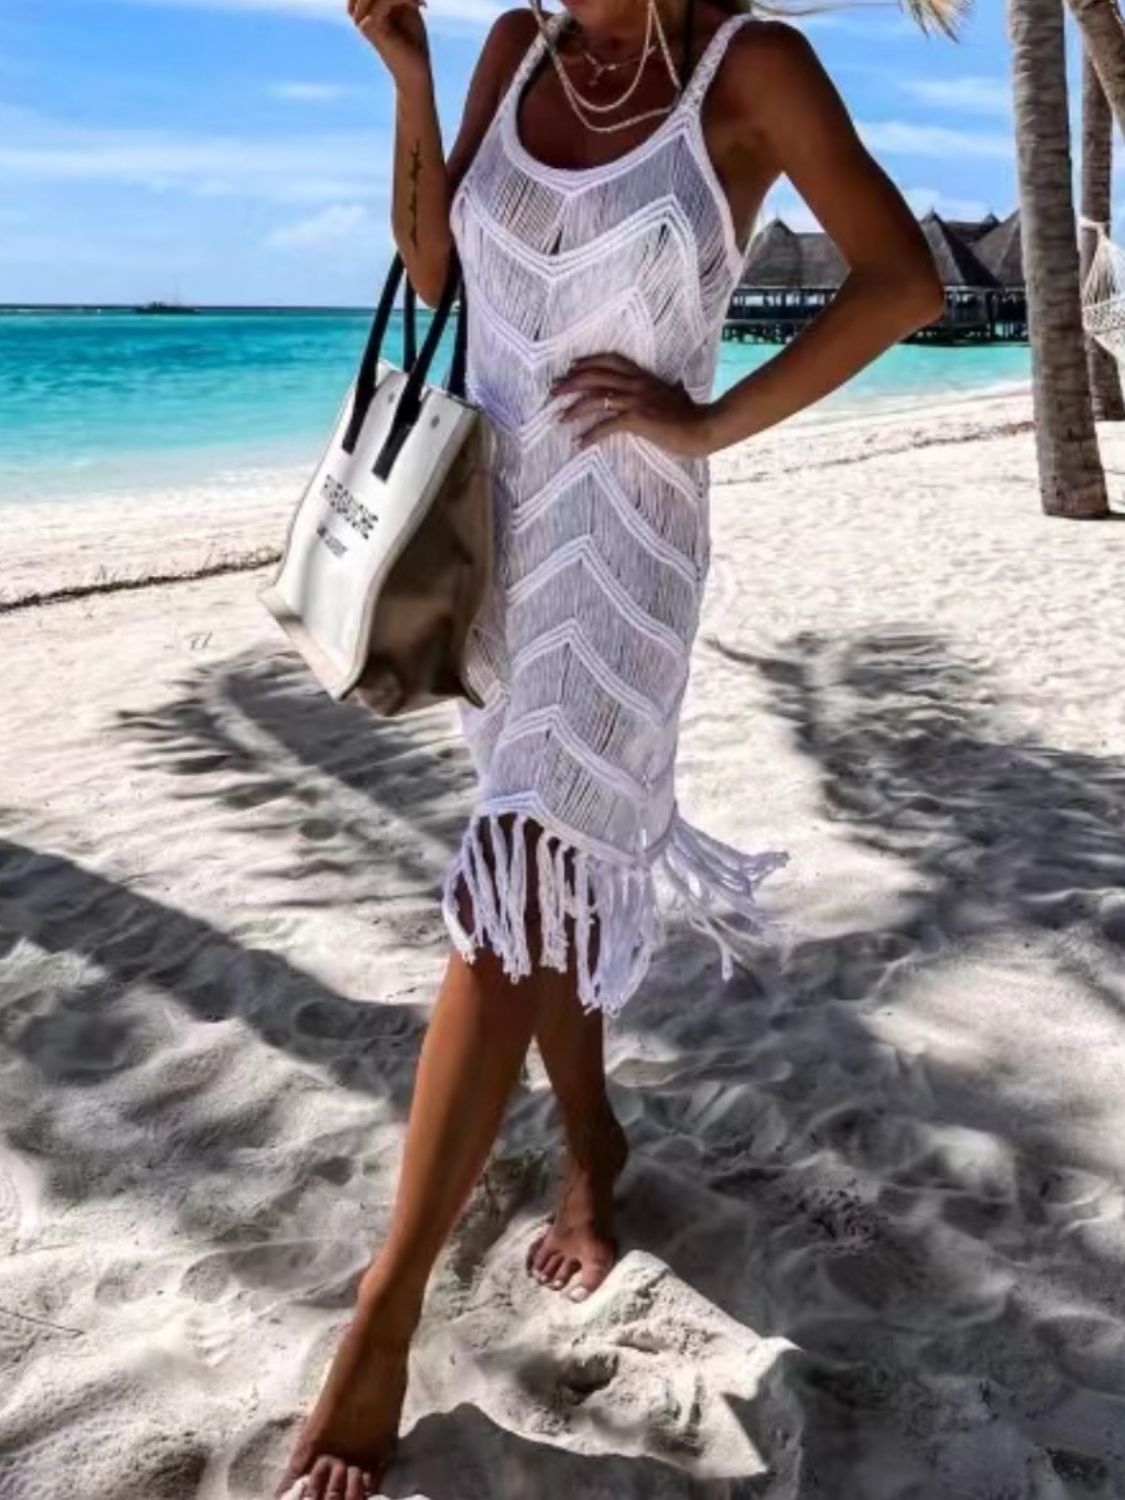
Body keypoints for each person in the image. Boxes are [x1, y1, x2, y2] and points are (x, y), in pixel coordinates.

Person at [277, 2, 943, 1495]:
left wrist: (706, 423)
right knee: (541, 881)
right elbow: (437, 266)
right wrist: (413, 76)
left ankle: (381, 1318)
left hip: (625, 546)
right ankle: (595, 1151)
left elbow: (898, 281)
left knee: (522, 858)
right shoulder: (517, 40)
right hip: (483, 534)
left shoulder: (748, 66)